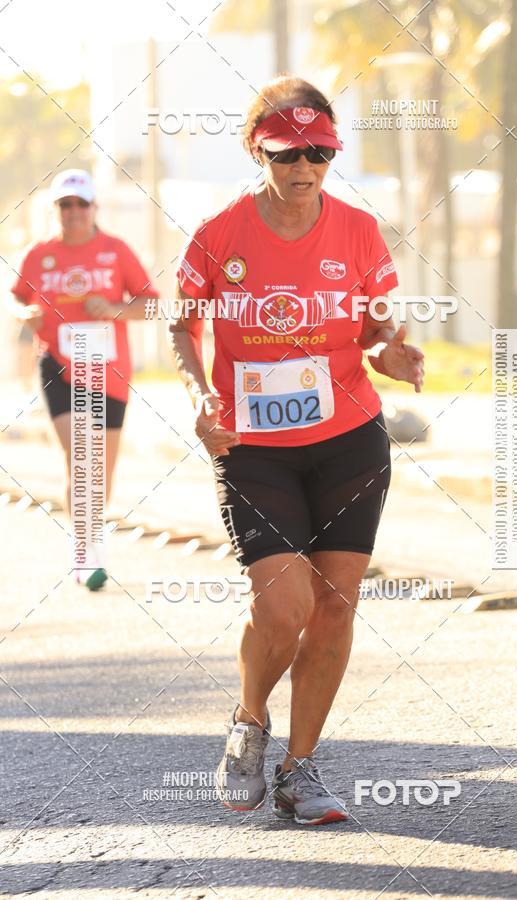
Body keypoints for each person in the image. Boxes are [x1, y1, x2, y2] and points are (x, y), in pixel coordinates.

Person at [169, 76, 424, 825]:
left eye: (319, 153)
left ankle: (300, 768)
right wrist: (197, 396)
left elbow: (377, 330)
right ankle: (250, 723)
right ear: (258, 150)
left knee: (336, 607)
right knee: (285, 605)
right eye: (287, 155)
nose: (304, 168)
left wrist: (392, 355)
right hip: (256, 447)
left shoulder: (358, 230)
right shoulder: (219, 232)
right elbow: (181, 324)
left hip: (349, 441)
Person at [9, 169, 158, 590]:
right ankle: (85, 552)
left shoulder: (116, 250)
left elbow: (152, 307)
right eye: (64, 205)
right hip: (58, 364)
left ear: (94, 208)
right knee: (81, 458)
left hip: (106, 369)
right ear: (55, 210)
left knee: (99, 472)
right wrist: (27, 315)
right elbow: (17, 297)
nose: (73, 212)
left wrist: (113, 307)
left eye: (80, 204)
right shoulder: (39, 254)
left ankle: (91, 539)